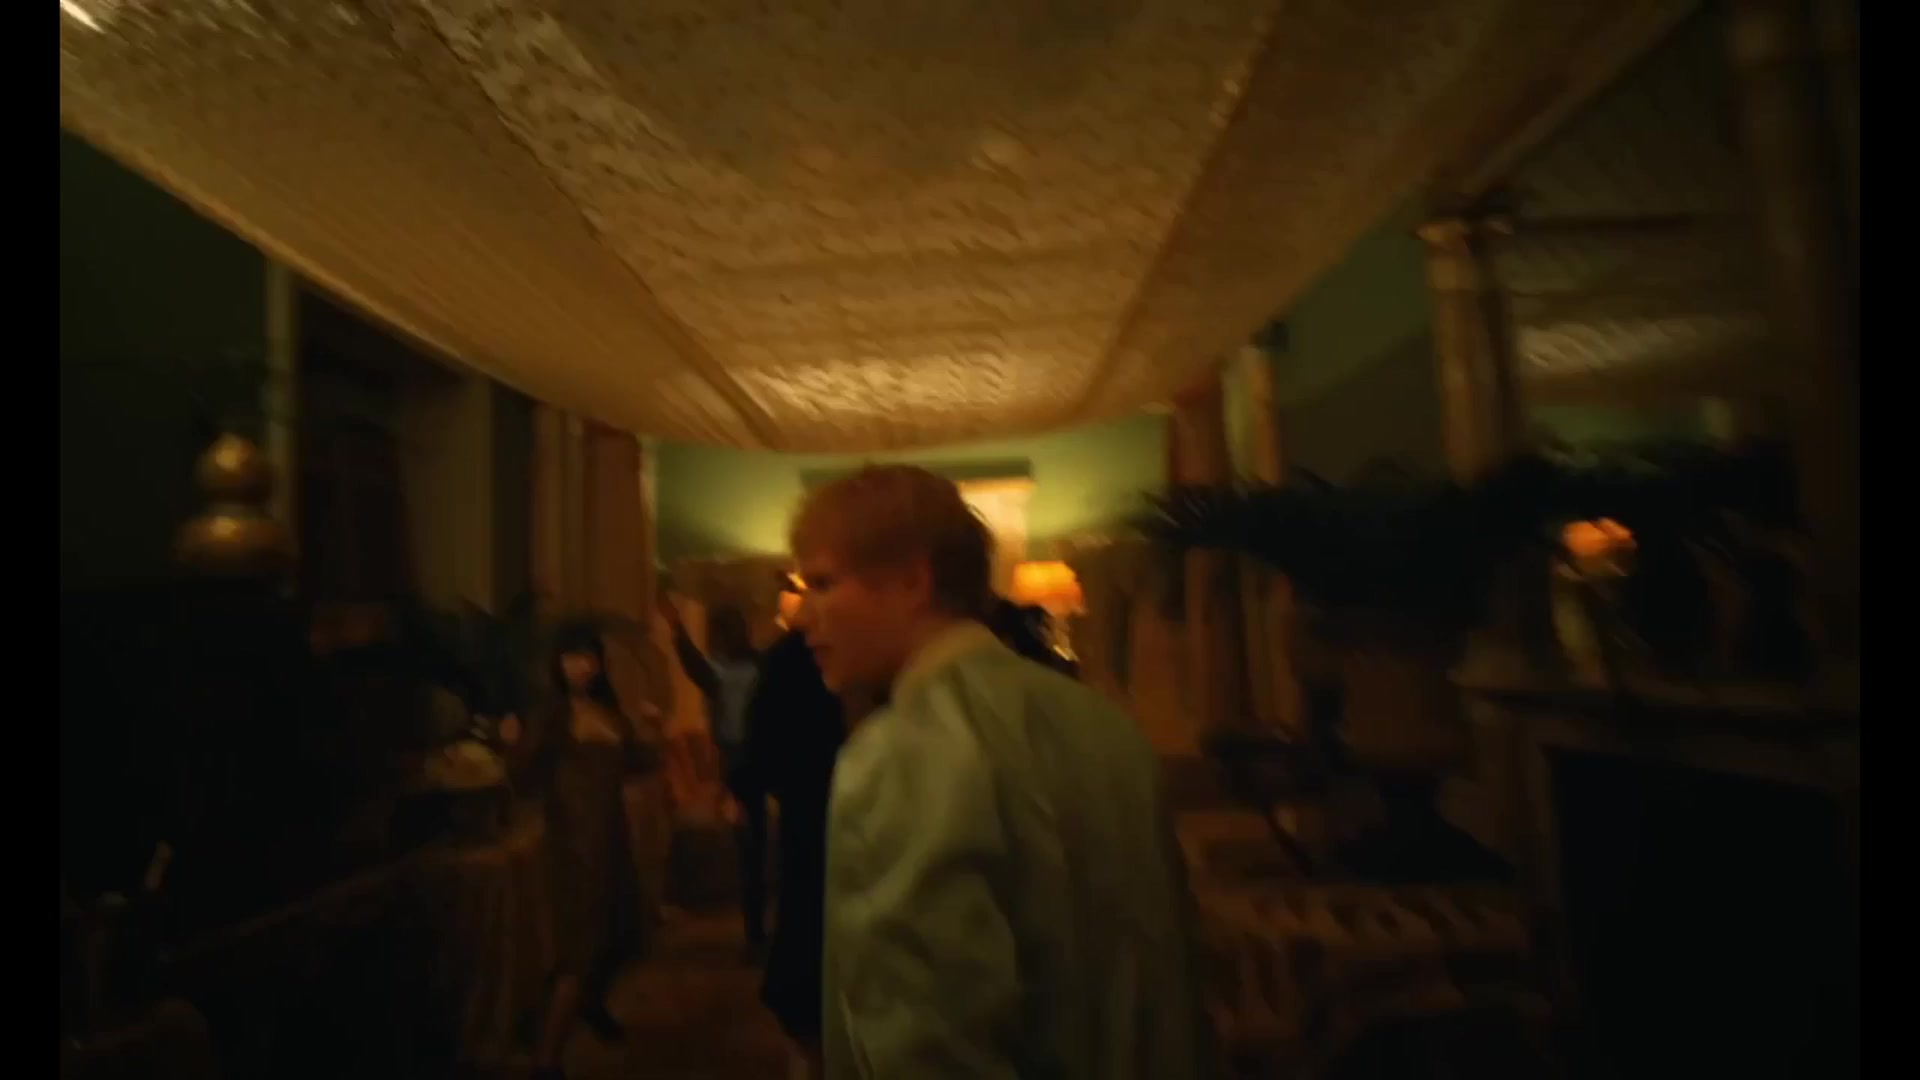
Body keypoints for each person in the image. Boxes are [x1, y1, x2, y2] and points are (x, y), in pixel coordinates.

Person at [789, 465, 1215, 1080]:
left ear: (912, 580)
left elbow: (926, 1039)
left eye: (824, 584)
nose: (802, 616)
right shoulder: (1105, 727)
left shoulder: (902, 751)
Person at [500, 623, 655, 1080]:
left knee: (619, 933)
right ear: (558, 663)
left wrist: (650, 728)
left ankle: (592, 1003)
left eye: (588, 657)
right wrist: (511, 741)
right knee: (579, 950)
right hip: (573, 843)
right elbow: (522, 775)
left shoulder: (609, 712)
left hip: (611, 838)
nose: (581, 666)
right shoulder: (551, 715)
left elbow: (638, 761)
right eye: (571, 657)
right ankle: (546, 1059)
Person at [731, 603, 849, 1080]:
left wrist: (758, 786)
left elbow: (759, 739)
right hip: (817, 812)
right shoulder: (806, 657)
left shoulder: (789, 657)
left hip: (808, 809)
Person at [663, 599, 769, 955]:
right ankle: (756, 933)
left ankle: (757, 932)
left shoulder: (752, 667)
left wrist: (678, 632)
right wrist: (678, 631)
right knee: (750, 848)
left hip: (748, 762)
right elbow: (697, 667)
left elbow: (697, 667)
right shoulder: (741, 667)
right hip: (742, 764)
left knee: (751, 848)